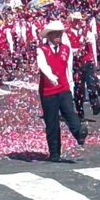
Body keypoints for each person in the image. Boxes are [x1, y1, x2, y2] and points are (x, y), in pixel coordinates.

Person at [36, 20, 88, 162]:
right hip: (48, 90)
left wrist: (70, 85)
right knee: (52, 122)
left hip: (64, 87)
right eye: (55, 34)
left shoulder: (66, 49)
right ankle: (54, 153)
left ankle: (79, 133)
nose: (58, 36)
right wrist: (51, 77)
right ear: (49, 36)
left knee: (69, 112)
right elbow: (43, 66)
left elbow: (68, 68)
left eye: (60, 33)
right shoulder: (42, 49)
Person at [64, 12, 100, 119]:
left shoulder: (87, 32)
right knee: (79, 88)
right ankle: (80, 111)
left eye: (80, 20)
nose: (78, 22)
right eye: (76, 20)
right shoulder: (66, 34)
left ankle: (95, 105)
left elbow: (93, 48)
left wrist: (95, 62)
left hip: (88, 62)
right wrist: (76, 51)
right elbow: (66, 49)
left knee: (92, 84)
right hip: (76, 64)